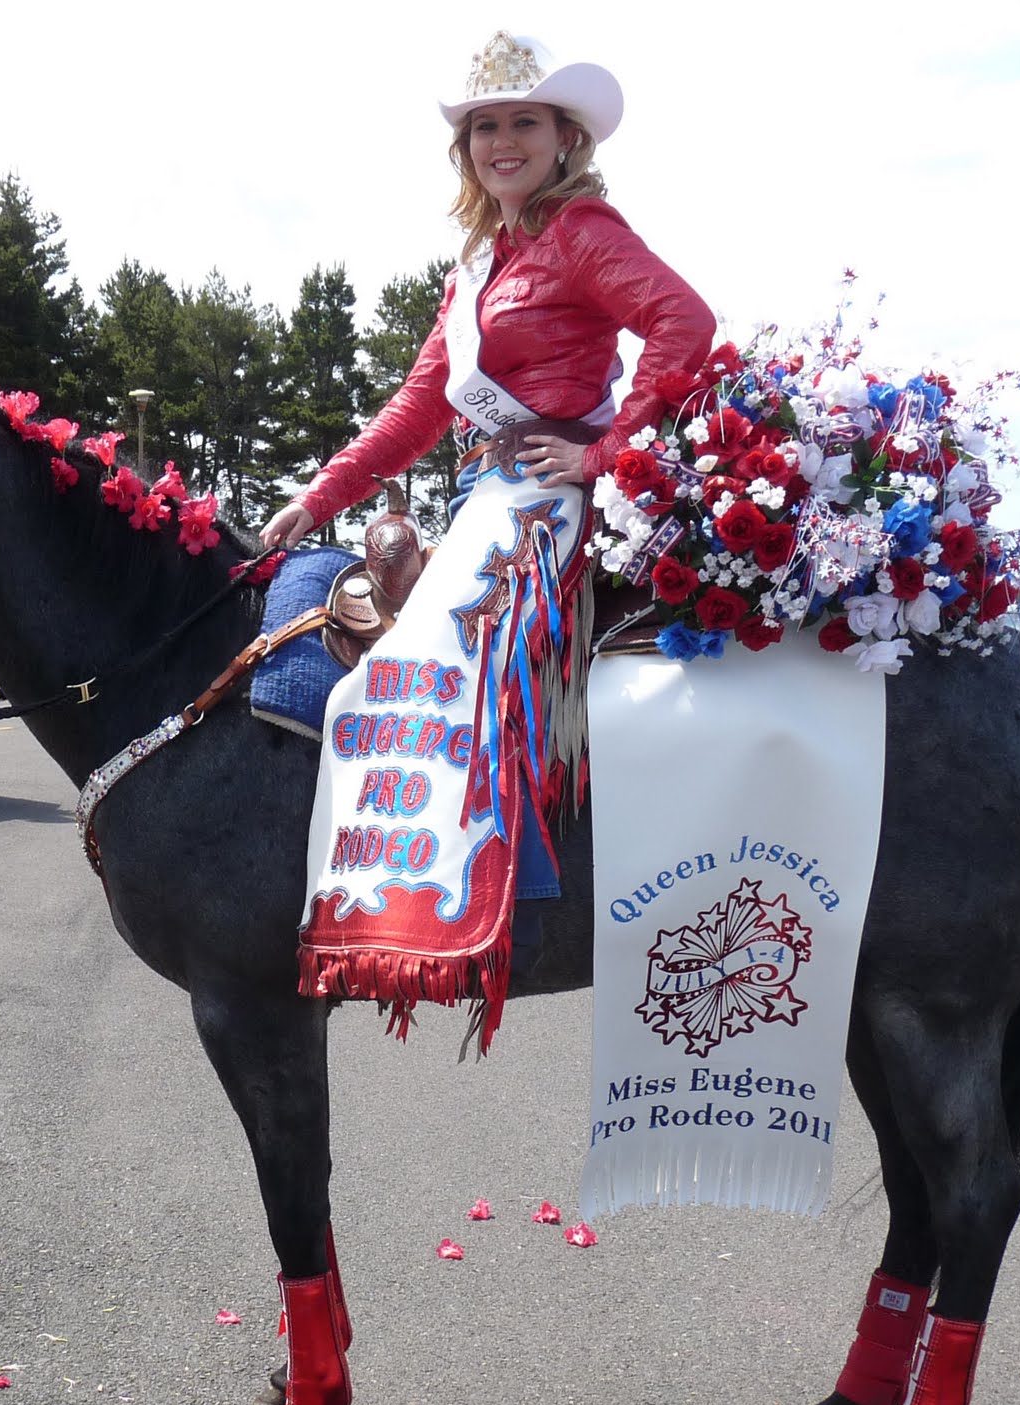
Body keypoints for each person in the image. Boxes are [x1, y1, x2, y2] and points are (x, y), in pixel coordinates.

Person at [260, 31, 715, 1048]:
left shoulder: (585, 232)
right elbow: (420, 405)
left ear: (563, 139)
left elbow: (684, 324)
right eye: (483, 128)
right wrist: (322, 493)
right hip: (480, 492)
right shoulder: (476, 264)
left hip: (542, 493)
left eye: (522, 123)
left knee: (442, 654)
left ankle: (493, 893)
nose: (501, 142)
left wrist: (605, 454)